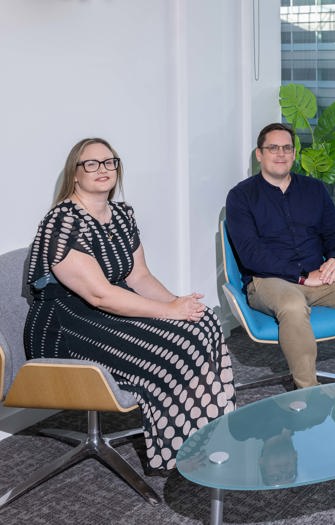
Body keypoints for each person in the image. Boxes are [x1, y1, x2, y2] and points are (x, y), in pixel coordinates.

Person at [24, 138, 237, 475]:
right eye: (91, 163)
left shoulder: (122, 214)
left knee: (205, 322)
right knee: (179, 345)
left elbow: (139, 276)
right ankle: (179, 456)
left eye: (109, 162)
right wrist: (170, 312)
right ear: (75, 175)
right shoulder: (62, 222)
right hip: (68, 324)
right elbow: (99, 296)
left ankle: (212, 436)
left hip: (109, 311)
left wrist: (179, 305)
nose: (103, 169)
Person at [225, 122, 335, 389]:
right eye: (273, 148)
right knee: (293, 305)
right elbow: (251, 254)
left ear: (294, 154)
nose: (281, 153)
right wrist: (302, 277)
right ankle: (308, 390)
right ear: (259, 154)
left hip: (317, 276)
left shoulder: (314, 190)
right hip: (269, 281)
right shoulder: (241, 196)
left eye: (287, 148)